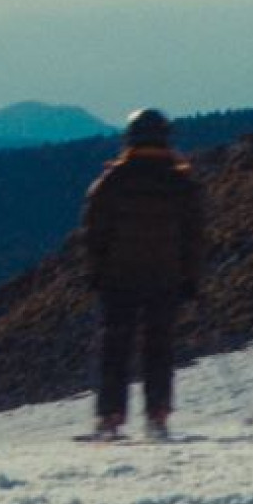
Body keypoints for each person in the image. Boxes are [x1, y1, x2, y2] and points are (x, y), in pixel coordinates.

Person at [81, 108, 206, 439]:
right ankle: (157, 416)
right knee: (159, 348)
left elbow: (94, 233)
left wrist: (96, 271)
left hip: (118, 279)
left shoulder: (112, 182)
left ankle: (109, 418)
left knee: (115, 348)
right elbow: (193, 238)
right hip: (165, 278)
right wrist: (191, 279)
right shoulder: (182, 183)